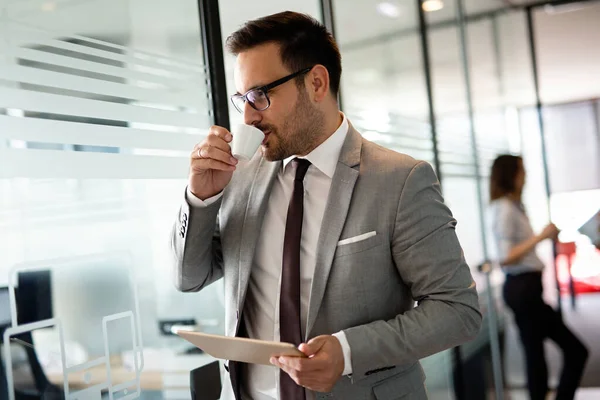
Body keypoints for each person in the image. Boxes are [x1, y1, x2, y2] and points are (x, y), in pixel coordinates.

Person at [171, 11, 481, 400]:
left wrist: (349, 351)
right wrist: (201, 198)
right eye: (242, 99)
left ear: (316, 82)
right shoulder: (241, 175)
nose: (248, 117)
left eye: (260, 96)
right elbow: (189, 277)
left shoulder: (399, 180)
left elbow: (457, 310)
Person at [489, 155, 589, 400]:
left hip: (527, 287)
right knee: (572, 351)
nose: (526, 176)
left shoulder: (513, 206)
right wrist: (541, 236)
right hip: (522, 289)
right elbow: (505, 256)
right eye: (522, 171)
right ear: (510, 174)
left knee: (537, 357)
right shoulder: (503, 208)